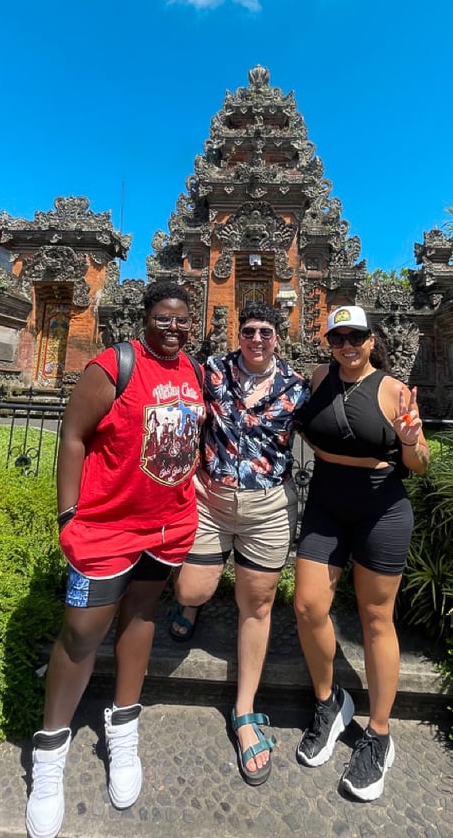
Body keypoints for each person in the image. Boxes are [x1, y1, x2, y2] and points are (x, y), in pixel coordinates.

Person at [25, 282, 205, 838]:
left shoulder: (193, 373)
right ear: (145, 319)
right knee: (81, 633)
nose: (173, 328)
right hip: (105, 528)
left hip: (167, 526)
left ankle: (123, 730)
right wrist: (67, 516)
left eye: (182, 320)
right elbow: (73, 436)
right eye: (163, 319)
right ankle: (50, 757)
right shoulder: (114, 365)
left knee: (142, 617)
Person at [169, 301, 311, 786]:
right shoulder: (210, 371)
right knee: (192, 590)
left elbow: (335, 425)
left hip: (268, 509)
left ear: (278, 335)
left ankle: (245, 711)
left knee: (257, 604)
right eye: (248, 330)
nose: (256, 339)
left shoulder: (298, 386)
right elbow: (169, 398)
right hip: (211, 501)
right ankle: (192, 607)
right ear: (238, 332)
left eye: (265, 332)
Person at [293, 305, 429, 802]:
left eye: (356, 338)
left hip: (381, 507)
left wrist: (411, 441)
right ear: (328, 343)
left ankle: (378, 732)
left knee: (376, 618)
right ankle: (330, 702)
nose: (347, 347)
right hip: (327, 502)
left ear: (372, 341)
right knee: (307, 606)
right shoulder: (317, 377)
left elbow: (421, 465)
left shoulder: (393, 389)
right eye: (338, 339)